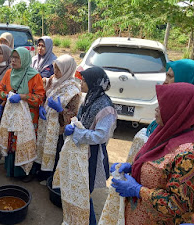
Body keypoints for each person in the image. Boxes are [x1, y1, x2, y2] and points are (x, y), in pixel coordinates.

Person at [111, 83, 194, 224]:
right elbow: (157, 167)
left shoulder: (190, 155)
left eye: (164, 104)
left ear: (179, 110)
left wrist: (138, 191)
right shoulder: (164, 134)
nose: (157, 109)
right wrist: (134, 168)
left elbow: (178, 206)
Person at [64, 67, 117, 225]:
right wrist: (74, 126)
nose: (81, 83)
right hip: (81, 150)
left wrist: (77, 133)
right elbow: (80, 118)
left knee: (84, 193)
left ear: (94, 83)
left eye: (85, 80)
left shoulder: (105, 107)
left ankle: (89, 221)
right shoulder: (89, 98)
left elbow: (101, 136)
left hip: (92, 155)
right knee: (78, 191)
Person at [0, 47, 45, 181]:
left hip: (28, 117)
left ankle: (26, 172)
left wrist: (22, 96)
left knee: (24, 141)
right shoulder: (8, 73)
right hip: (11, 115)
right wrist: (8, 95)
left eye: (17, 58)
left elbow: (40, 97)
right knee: (11, 140)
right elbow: (1, 90)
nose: (13, 60)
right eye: (12, 57)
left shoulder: (34, 76)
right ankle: (11, 169)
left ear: (24, 59)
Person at [146, 59, 194, 147]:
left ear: (186, 81)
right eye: (166, 75)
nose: (165, 81)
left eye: (170, 76)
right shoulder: (175, 111)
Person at [36, 54, 81, 180]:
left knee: (55, 151)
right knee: (42, 146)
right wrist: (41, 106)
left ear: (67, 70)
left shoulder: (73, 89)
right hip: (45, 121)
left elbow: (74, 113)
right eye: (54, 68)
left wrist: (61, 110)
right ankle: (41, 170)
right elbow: (44, 95)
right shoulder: (52, 80)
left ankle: (50, 176)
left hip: (58, 127)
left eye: (59, 69)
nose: (55, 71)